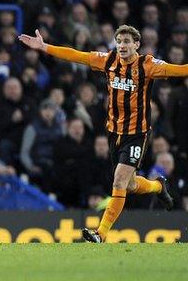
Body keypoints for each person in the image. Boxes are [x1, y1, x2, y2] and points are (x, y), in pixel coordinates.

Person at [18, 25, 183, 243]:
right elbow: (77, 56)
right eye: (119, 41)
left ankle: (100, 233)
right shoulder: (108, 60)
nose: (122, 45)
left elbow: (179, 70)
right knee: (130, 185)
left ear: (137, 45)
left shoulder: (148, 65)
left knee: (119, 181)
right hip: (114, 133)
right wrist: (45, 47)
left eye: (127, 41)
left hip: (136, 133)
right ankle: (158, 185)